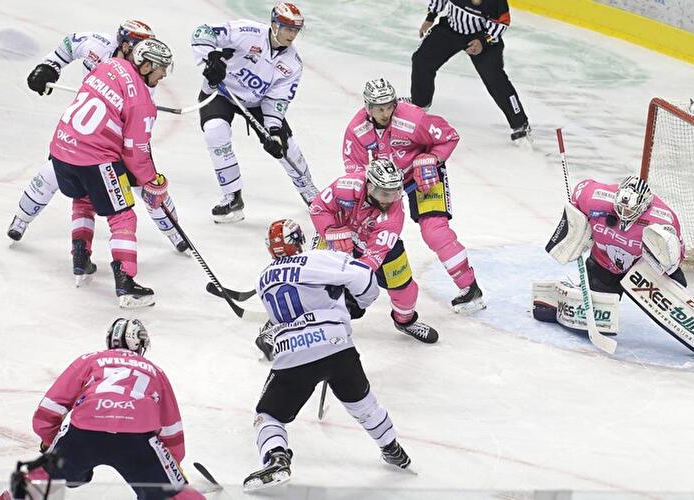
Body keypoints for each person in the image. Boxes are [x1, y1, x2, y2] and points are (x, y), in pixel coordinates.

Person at [244, 219, 411, 491]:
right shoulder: (317, 258)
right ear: (299, 240)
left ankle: (276, 459)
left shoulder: (262, 279)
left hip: (293, 353)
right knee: (364, 406)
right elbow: (365, 278)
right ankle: (392, 448)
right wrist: (357, 304)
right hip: (336, 345)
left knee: (267, 416)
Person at [7, 20, 188, 253]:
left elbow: (136, 129)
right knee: (51, 173)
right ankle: (21, 220)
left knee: (145, 184)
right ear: (125, 46)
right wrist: (50, 66)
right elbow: (69, 44)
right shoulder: (98, 44)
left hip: (118, 134)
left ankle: (174, 231)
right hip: (88, 133)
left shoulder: (143, 74)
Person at [537, 176, 694, 364]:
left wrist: (665, 259)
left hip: (644, 270)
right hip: (603, 266)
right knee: (599, 321)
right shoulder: (595, 197)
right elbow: (579, 192)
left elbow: (676, 258)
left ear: (643, 206)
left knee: (675, 299)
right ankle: (559, 298)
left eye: (629, 211)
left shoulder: (663, 219)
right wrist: (577, 222)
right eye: (620, 208)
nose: (623, 214)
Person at [49, 38, 175, 308]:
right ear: (145, 66)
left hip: (61, 148)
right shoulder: (142, 102)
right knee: (123, 216)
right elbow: (136, 152)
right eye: (161, 67)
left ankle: (80, 259)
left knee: (83, 199)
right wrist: (151, 181)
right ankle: (126, 285)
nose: (164, 74)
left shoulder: (108, 65)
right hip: (94, 157)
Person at [342, 78, 485, 313]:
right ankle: (355, 290)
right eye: (379, 108)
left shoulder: (413, 118)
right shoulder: (356, 129)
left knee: (435, 232)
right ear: (367, 106)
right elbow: (354, 170)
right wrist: (373, 191)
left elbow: (449, 137)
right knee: (369, 233)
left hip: (423, 177)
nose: (385, 113)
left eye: (389, 106)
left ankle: (470, 287)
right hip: (384, 186)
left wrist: (432, 158)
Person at [26, 318, 203, 499]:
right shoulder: (155, 370)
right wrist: (172, 469)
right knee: (167, 494)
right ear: (139, 343)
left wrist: (49, 441)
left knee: (41, 480)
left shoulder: (90, 359)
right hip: (137, 438)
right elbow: (170, 427)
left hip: (84, 432)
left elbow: (50, 408)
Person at [190, 1, 319, 222]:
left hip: (257, 102)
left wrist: (274, 130)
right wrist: (210, 57)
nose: (292, 35)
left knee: (286, 146)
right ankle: (232, 197)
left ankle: (310, 192)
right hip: (221, 91)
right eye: (288, 29)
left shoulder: (293, 64)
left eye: (296, 30)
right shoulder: (246, 32)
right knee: (215, 131)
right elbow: (202, 32)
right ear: (274, 25)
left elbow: (276, 100)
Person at [310, 158, 439, 343]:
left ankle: (405, 321)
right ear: (370, 186)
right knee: (313, 277)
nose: (390, 200)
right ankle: (297, 315)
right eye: (384, 193)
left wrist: (350, 290)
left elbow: (369, 262)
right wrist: (330, 230)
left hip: (375, 248)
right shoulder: (347, 185)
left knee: (405, 290)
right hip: (338, 236)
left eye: (395, 192)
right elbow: (318, 207)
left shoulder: (393, 219)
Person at [411, 0, 530, 144]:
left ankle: (520, 123)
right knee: (421, 60)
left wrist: (484, 41)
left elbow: (501, 22)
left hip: (482, 35)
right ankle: (420, 104)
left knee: (496, 79)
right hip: (451, 28)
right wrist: (430, 17)